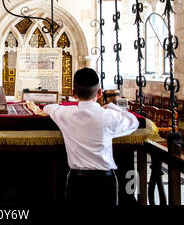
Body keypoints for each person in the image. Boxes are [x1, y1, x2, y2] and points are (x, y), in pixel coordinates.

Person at [43, 67, 139, 206]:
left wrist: (65, 107)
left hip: (78, 182)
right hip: (105, 182)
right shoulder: (110, 116)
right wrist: (112, 107)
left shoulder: (66, 115)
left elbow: (49, 107)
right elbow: (133, 121)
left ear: (73, 93)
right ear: (99, 93)